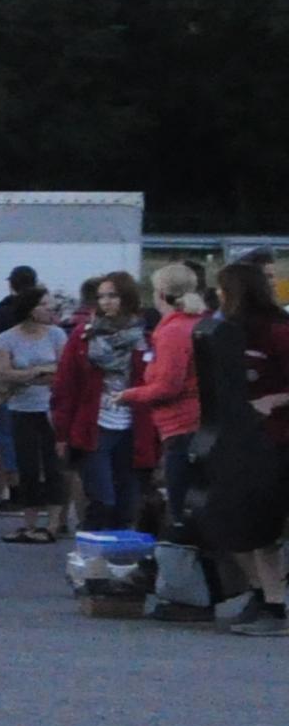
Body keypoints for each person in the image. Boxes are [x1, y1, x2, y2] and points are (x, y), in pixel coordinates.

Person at [191, 259, 289, 632]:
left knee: (263, 527)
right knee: (228, 520)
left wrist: (273, 401)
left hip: (276, 439)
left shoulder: (277, 331)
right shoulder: (229, 331)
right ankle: (259, 593)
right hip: (240, 439)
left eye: (222, 288)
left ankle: (275, 606)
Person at [121, 261, 212, 616]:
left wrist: (129, 395)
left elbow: (168, 386)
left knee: (179, 511)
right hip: (199, 426)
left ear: (159, 293)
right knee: (189, 507)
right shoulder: (201, 324)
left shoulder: (172, 332)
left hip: (180, 427)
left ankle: (186, 595)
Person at [51, 272, 155, 535]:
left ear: (127, 298)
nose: (106, 302)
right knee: (102, 500)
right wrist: (62, 433)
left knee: (126, 506)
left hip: (133, 428)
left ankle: (118, 556)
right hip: (94, 426)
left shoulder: (145, 338)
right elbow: (65, 386)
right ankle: (92, 552)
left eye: (113, 295)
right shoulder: (83, 336)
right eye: (101, 297)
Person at [0, 287, 68, 541]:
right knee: (27, 466)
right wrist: (36, 372)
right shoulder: (6, 338)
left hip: (49, 407)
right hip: (20, 408)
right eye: (44, 305)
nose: (50, 309)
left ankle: (54, 524)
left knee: (53, 465)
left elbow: (62, 370)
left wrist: (25, 375)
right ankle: (29, 523)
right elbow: (4, 372)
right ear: (30, 309)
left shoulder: (56, 334)